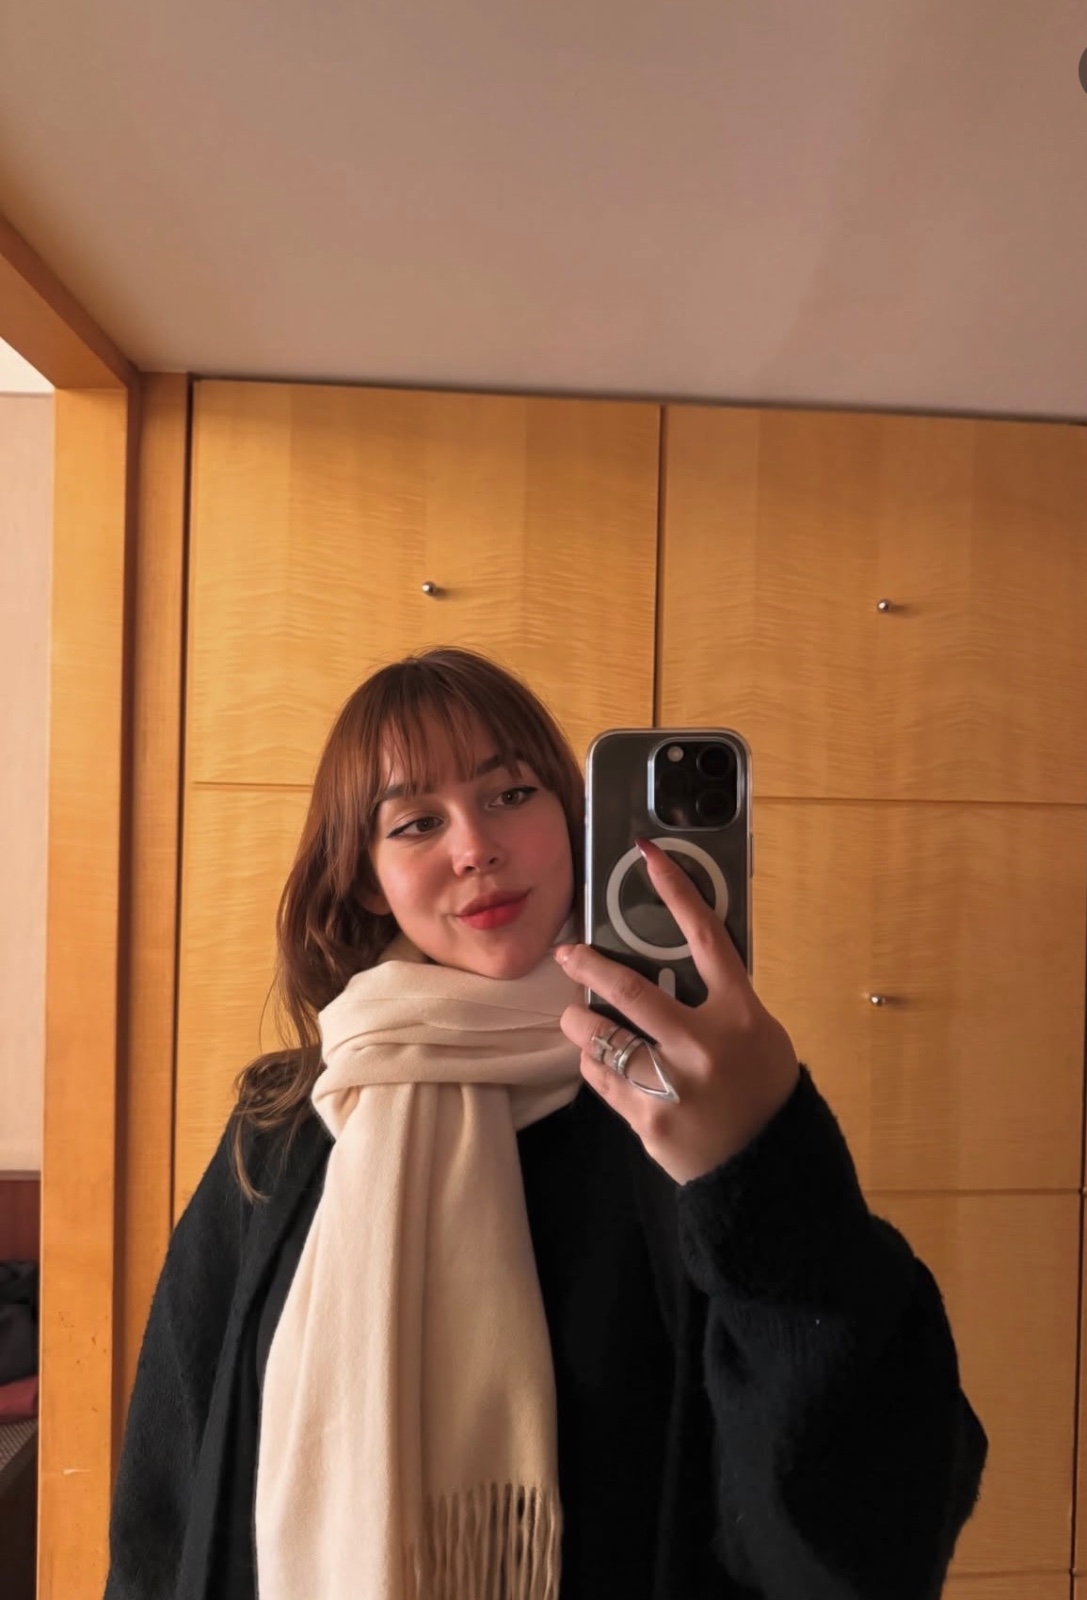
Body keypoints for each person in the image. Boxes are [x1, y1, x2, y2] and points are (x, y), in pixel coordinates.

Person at [103, 646, 986, 1600]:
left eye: (511, 794)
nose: (474, 847)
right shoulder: (284, 1125)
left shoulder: (686, 1101)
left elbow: (870, 1529)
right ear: (366, 879)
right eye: (416, 822)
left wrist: (758, 1159)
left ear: (576, 820)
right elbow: (168, 1489)